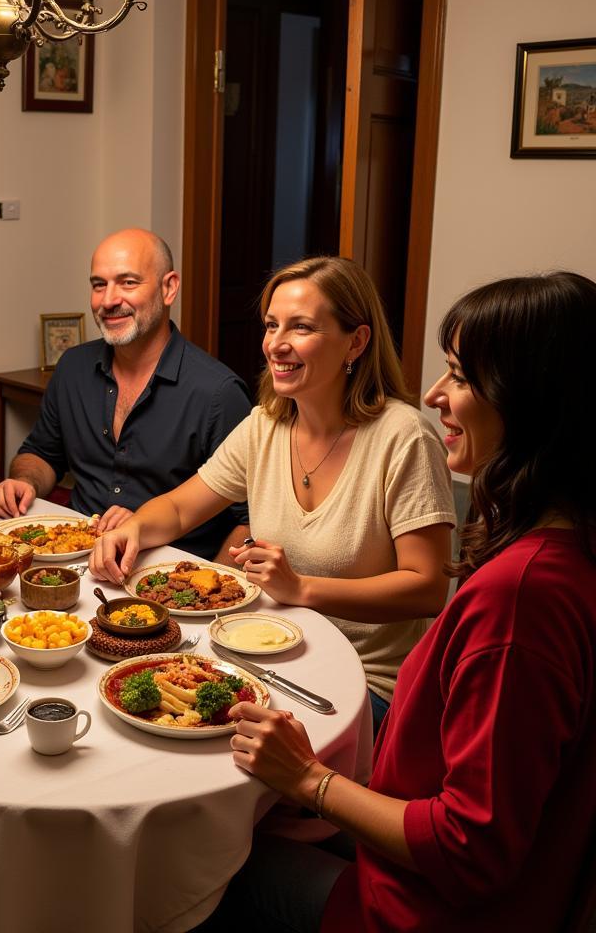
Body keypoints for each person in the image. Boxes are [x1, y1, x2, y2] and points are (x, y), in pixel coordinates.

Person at [214, 271, 596, 932]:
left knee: (211, 870)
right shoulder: (564, 548)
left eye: (461, 376)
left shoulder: (523, 597)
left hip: (418, 911)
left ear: (534, 402)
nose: (434, 395)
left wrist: (310, 781)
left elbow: (469, 847)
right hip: (435, 843)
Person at [91, 256, 455, 728]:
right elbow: (181, 508)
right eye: (270, 325)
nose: (276, 345)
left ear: (356, 342)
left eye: (300, 328)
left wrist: (301, 588)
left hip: (365, 683)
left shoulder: (403, 437)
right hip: (264, 657)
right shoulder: (267, 424)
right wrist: (134, 529)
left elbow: (427, 588)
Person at [0, 228, 252, 562]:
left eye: (128, 283)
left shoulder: (218, 394)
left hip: (166, 570)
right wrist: (24, 481)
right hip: (73, 555)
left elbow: (248, 522)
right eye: (99, 285)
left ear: (168, 288)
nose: (109, 300)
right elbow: (41, 453)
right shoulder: (72, 367)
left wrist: (213, 598)